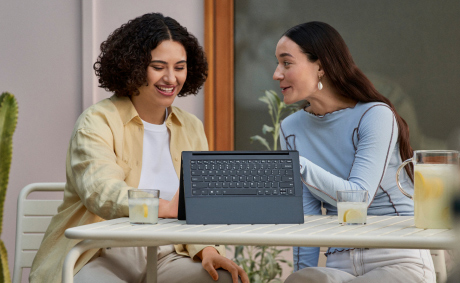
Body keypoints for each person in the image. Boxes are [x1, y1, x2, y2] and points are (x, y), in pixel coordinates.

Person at [30, 13, 248, 283]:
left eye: (180, 67)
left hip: (170, 252)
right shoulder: (97, 121)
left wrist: (208, 249)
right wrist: (164, 207)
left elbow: (199, 205)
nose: (171, 78)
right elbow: (101, 191)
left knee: (224, 279)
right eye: (158, 66)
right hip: (102, 251)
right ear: (133, 66)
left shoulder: (191, 127)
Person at [273, 21, 435, 282]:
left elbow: (358, 199)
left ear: (321, 66)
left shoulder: (374, 115)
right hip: (340, 263)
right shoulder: (291, 128)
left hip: (396, 256)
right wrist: (300, 274)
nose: (276, 74)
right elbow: (307, 219)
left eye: (286, 63)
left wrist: (295, 164)